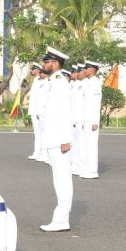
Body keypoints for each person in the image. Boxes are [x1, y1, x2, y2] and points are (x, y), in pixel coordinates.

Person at [39, 47, 75, 232]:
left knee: (62, 180)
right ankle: (60, 218)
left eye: (46, 62)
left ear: (55, 63)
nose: (44, 64)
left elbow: (65, 113)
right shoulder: (53, 82)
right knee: (58, 180)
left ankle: (61, 220)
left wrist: (65, 139)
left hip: (60, 140)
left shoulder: (60, 83)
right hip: (53, 138)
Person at [79, 61, 104, 178]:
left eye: (87, 68)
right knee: (85, 145)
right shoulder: (87, 82)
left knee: (92, 145)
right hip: (85, 118)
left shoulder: (96, 83)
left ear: (93, 70)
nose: (85, 70)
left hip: (92, 119)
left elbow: (96, 103)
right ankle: (87, 168)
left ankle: (93, 170)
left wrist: (95, 121)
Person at [27, 65, 48, 162]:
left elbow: (43, 99)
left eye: (33, 69)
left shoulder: (46, 81)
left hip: (41, 111)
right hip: (35, 111)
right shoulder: (36, 80)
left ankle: (44, 154)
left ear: (38, 70)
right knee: (37, 133)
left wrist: (40, 111)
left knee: (43, 133)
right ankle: (37, 152)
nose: (31, 71)